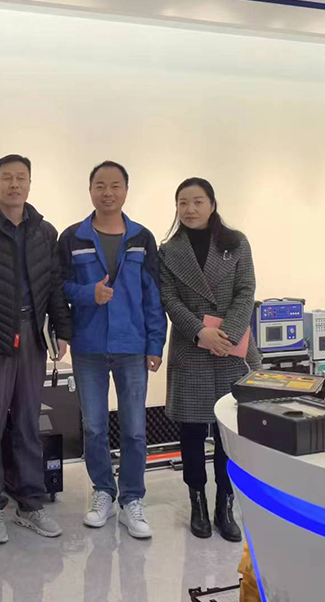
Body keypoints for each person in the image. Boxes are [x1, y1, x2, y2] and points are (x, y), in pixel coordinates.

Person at [0, 154, 72, 544]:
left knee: (27, 423)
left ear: (30, 184)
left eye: (21, 178)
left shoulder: (44, 232)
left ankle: (30, 504)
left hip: (31, 337)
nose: (14, 184)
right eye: (7, 178)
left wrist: (61, 330)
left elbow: (53, 286)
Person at [59, 161, 167, 538]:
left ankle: (132, 499)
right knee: (94, 427)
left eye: (115, 185)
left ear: (126, 190)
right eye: (100, 185)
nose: (108, 192)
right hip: (88, 346)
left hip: (132, 346)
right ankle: (103, 491)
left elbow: (153, 295)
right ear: (90, 190)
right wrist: (88, 294)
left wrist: (155, 342)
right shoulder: (73, 237)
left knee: (135, 429)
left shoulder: (141, 238)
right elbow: (59, 288)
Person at [159, 177, 260, 543]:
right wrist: (201, 332)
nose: (190, 209)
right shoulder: (168, 251)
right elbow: (169, 298)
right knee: (190, 431)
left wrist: (227, 334)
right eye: (183, 202)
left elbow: (246, 290)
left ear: (212, 204)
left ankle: (224, 505)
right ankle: (198, 502)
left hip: (233, 348)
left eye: (197, 201)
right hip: (192, 347)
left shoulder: (236, 243)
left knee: (227, 434)